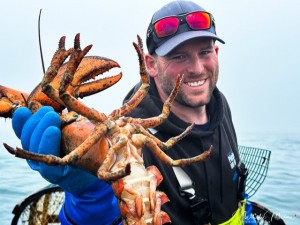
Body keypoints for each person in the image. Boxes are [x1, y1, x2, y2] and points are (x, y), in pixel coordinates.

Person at [12, 1, 251, 225]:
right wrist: (90, 197)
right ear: (150, 65)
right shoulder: (131, 137)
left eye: (205, 52)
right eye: (179, 56)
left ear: (216, 54)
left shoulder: (220, 107)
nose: (197, 68)